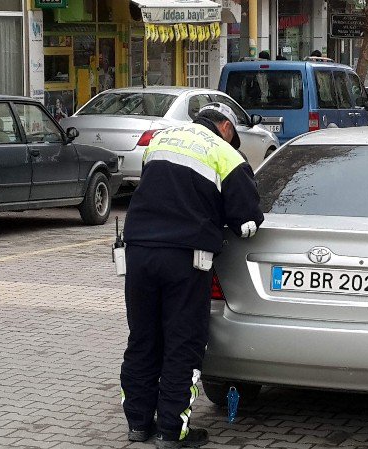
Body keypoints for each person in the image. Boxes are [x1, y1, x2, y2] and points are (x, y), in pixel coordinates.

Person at [120, 102, 264, 448]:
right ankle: (172, 431)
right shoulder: (225, 155)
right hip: (186, 258)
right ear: (227, 129)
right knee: (182, 344)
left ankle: (138, 425)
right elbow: (247, 223)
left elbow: (159, 186)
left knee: (142, 339)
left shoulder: (161, 139)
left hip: (137, 250)